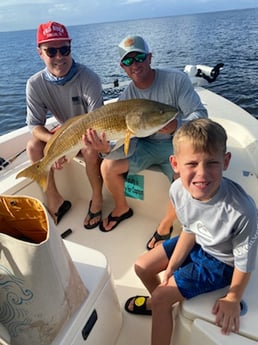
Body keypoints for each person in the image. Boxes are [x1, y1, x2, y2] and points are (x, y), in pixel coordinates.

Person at [124, 118, 258, 345]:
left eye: (211, 163)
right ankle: (164, 304)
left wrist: (233, 297)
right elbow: (189, 229)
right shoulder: (178, 189)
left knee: (160, 297)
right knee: (142, 267)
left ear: (225, 161)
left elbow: (244, 262)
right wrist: (173, 267)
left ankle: (160, 302)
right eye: (192, 164)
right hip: (197, 241)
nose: (202, 174)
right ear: (175, 164)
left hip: (221, 262)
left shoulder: (242, 210)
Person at [88, 35, 207, 245]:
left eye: (139, 57)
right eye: (127, 61)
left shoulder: (176, 80)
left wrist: (177, 126)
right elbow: (125, 139)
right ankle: (121, 208)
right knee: (107, 167)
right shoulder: (127, 97)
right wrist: (106, 149)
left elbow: (200, 115)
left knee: (185, 177)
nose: (134, 64)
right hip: (144, 146)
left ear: (149, 57)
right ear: (122, 67)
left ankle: (167, 224)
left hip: (177, 145)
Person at [26, 21, 103, 227]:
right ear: (40, 53)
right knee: (33, 145)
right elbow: (34, 125)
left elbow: (98, 121)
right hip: (65, 132)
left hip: (90, 133)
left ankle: (97, 199)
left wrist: (65, 146)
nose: (59, 56)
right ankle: (55, 199)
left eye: (64, 49)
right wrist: (55, 144)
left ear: (70, 48)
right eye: (51, 51)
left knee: (88, 150)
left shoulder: (89, 78)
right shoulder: (34, 84)